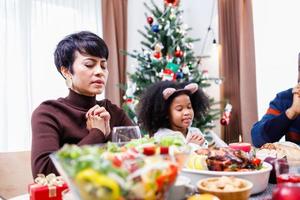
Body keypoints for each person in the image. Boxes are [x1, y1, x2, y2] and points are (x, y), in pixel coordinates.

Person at [31, 31, 133, 178]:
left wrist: (110, 134)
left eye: (103, 66)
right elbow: (44, 173)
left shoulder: (113, 112)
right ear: (66, 71)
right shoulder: (48, 113)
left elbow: (140, 158)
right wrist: (97, 134)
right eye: (89, 64)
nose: (99, 72)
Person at [137, 81, 210, 149]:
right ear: (166, 113)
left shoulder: (195, 132)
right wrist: (193, 146)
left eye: (189, 107)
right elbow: (173, 158)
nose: (187, 112)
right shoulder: (162, 136)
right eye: (179, 109)